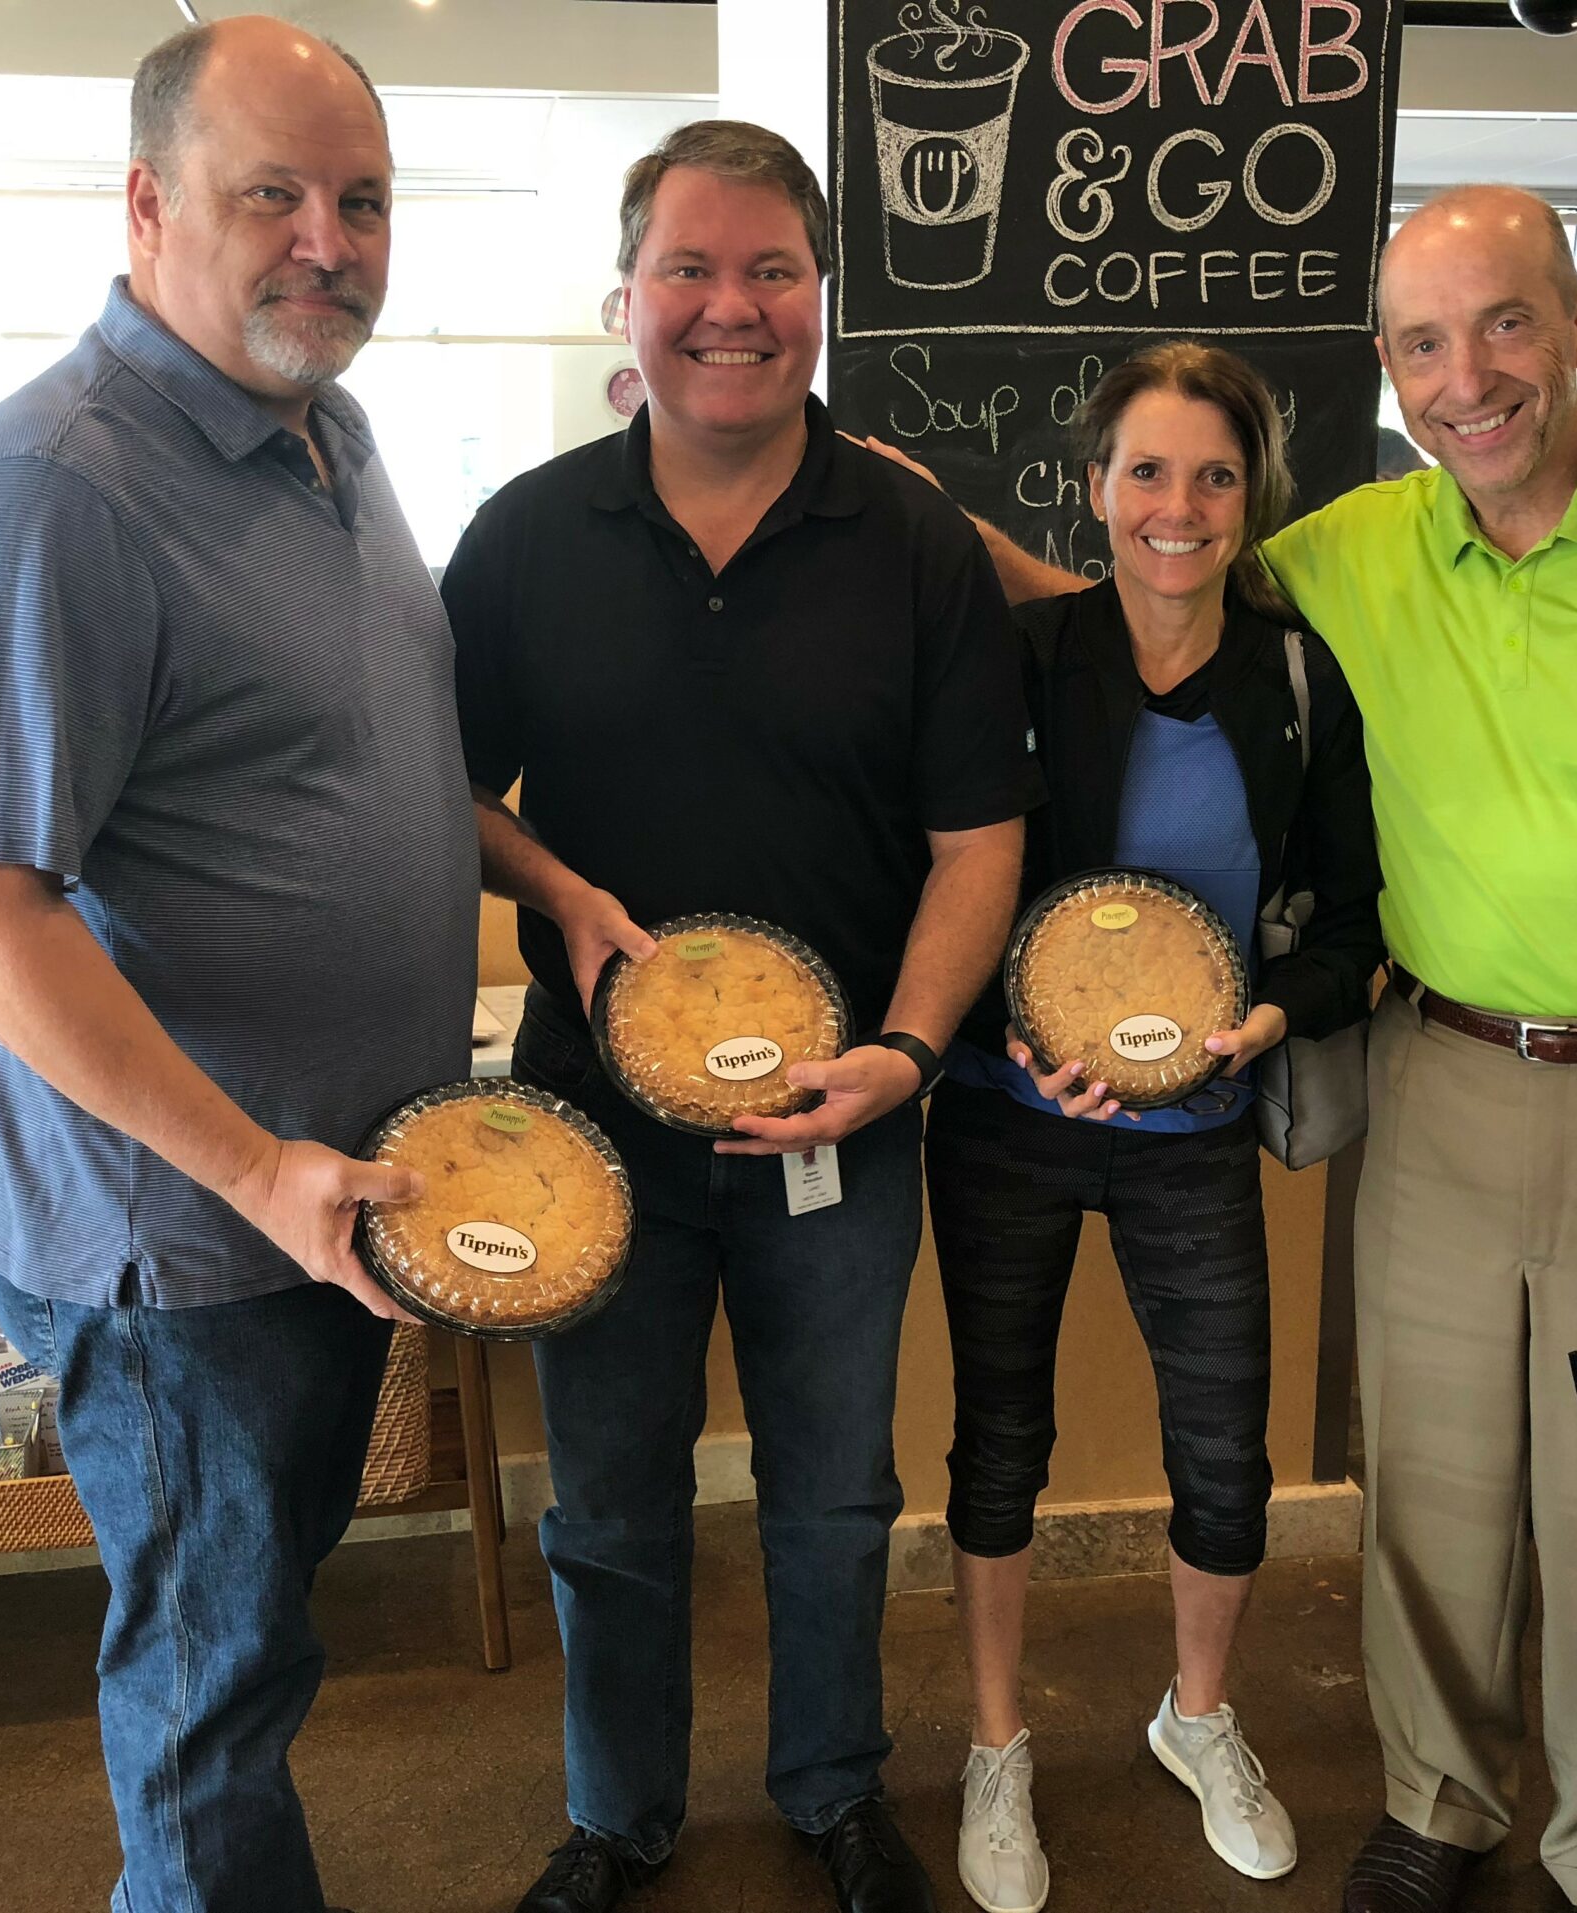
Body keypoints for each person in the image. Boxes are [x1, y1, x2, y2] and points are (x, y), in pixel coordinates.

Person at [886, 183, 1577, 1913]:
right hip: (1439, 1072)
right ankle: (1440, 1797)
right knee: (1432, 1482)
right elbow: (1150, 595)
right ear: (1386, 363)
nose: (1469, 378)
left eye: (1506, 323)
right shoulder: (1359, 551)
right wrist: (926, 520)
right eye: (1425, 344)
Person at [0, 20, 476, 1912]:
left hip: (320, 1204)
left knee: (255, 1645)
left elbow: (354, 760)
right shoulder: (52, 489)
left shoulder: (326, 430)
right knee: (209, 1698)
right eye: (271, 195)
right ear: (147, 206)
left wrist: (548, 879)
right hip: (192, 1243)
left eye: (361, 202)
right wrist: (253, 1167)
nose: (328, 242)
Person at [442, 120, 1040, 1913]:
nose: (732, 306)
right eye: (689, 269)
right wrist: (561, 893)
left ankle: (836, 1788)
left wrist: (905, 1054)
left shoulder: (914, 539)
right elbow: (451, 792)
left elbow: (979, 841)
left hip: (836, 1121)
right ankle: (614, 1814)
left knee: (834, 1493)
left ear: (820, 295)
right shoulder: (526, 535)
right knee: (608, 1501)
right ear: (625, 296)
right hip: (591, 1127)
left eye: (772, 269)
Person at [906, 341, 1381, 1913]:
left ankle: (1199, 1717)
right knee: (999, 1443)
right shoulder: (1018, 658)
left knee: (1224, 1455)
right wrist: (999, 1034)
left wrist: (1269, 1019)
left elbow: (1351, 920)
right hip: (1008, 1123)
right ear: (1096, 487)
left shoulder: (1297, 679)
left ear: (1252, 497)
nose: (1179, 507)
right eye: (1148, 472)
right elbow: (943, 876)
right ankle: (996, 1744)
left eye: (1214, 475)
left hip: (1201, 1130)